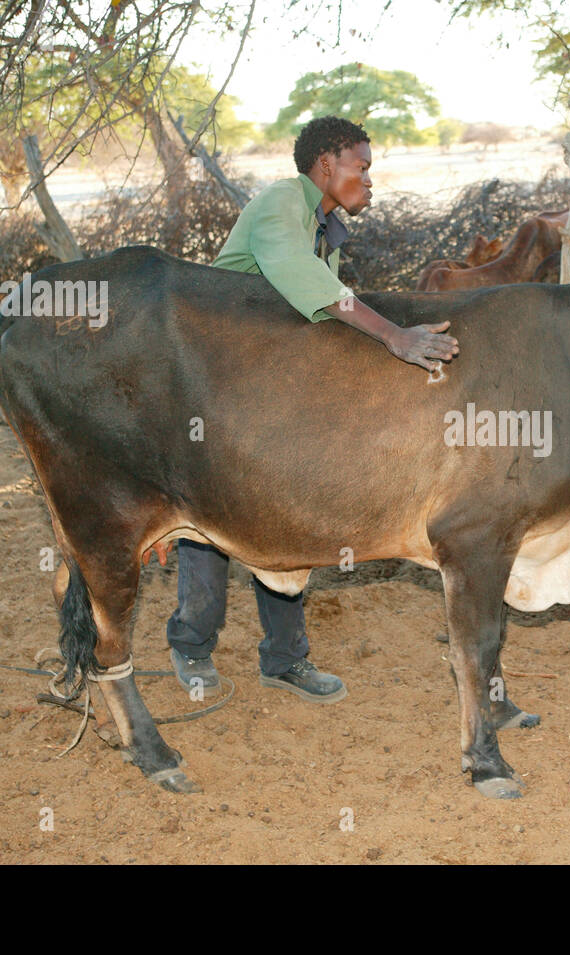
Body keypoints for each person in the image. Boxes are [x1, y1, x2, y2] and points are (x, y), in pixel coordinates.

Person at [166, 115, 458, 703]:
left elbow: (319, 318)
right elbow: (305, 284)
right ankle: (193, 647)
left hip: (267, 391)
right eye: (362, 166)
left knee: (280, 517)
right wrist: (393, 336)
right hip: (214, 387)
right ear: (326, 164)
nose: (369, 181)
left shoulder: (320, 224)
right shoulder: (281, 202)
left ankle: (283, 661)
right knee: (203, 521)